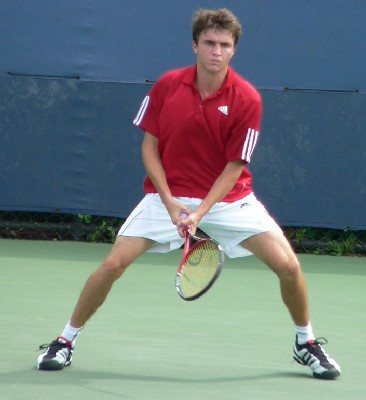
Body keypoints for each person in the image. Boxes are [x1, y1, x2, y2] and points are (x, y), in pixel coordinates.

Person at [37, 8, 340, 380]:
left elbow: (234, 167)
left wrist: (200, 213)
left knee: (289, 267)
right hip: (169, 197)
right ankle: (64, 341)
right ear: (194, 45)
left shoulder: (247, 100)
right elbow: (150, 148)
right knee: (113, 265)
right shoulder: (167, 86)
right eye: (209, 43)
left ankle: (305, 343)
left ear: (233, 51)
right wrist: (169, 200)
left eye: (224, 45)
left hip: (229, 200)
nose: (216, 51)